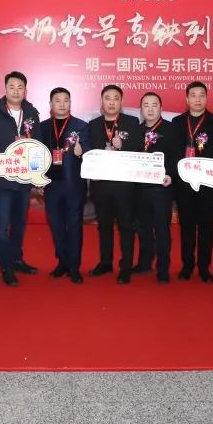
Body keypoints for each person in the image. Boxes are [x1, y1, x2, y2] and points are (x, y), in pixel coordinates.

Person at [0, 71, 43, 287]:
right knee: (2, 226)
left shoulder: (31, 115)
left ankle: (16, 259)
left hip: (24, 180)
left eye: (20, 87)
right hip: (2, 180)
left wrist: (37, 175)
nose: (16, 91)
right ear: (5, 89)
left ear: (25, 91)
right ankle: (6, 267)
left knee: (19, 224)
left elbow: (38, 147)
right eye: (12, 87)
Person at [85, 84, 143, 284]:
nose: (111, 102)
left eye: (115, 98)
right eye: (107, 98)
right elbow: (89, 151)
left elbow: (139, 147)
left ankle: (126, 267)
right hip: (101, 185)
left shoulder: (131, 122)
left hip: (124, 185)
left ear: (121, 102)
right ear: (102, 102)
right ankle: (105, 262)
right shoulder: (93, 124)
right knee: (104, 226)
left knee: (126, 226)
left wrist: (123, 145)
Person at [170, 81, 213, 283]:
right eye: (193, 95)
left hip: (207, 185)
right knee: (186, 228)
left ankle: (204, 267)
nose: (198, 99)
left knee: (206, 228)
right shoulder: (177, 122)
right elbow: (172, 154)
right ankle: (187, 266)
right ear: (187, 99)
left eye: (202, 95)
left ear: (206, 98)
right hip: (183, 185)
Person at [35, 87, 90, 284]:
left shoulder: (81, 126)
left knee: (74, 226)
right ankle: (63, 262)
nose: (62, 104)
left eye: (66, 100)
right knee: (57, 226)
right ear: (51, 104)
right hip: (51, 185)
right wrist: (38, 179)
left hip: (73, 184)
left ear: (70, 103)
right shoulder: (42, 127)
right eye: (57, 100)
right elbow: (37, 155)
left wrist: (82, 152)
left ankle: (74, 266)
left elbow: (90, 153)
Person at [134, 92, 178, 283]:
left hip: (161, 188)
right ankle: (144, 263)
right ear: (141, 109)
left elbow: (177, 156)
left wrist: (171, 175)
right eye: (146, 105)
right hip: (139, 188)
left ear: (161, 107)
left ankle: (163, 268)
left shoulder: (171, 129)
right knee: (142, 228)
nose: (150, 109)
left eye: (154, 105)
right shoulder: (135, 130)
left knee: (161, 230)